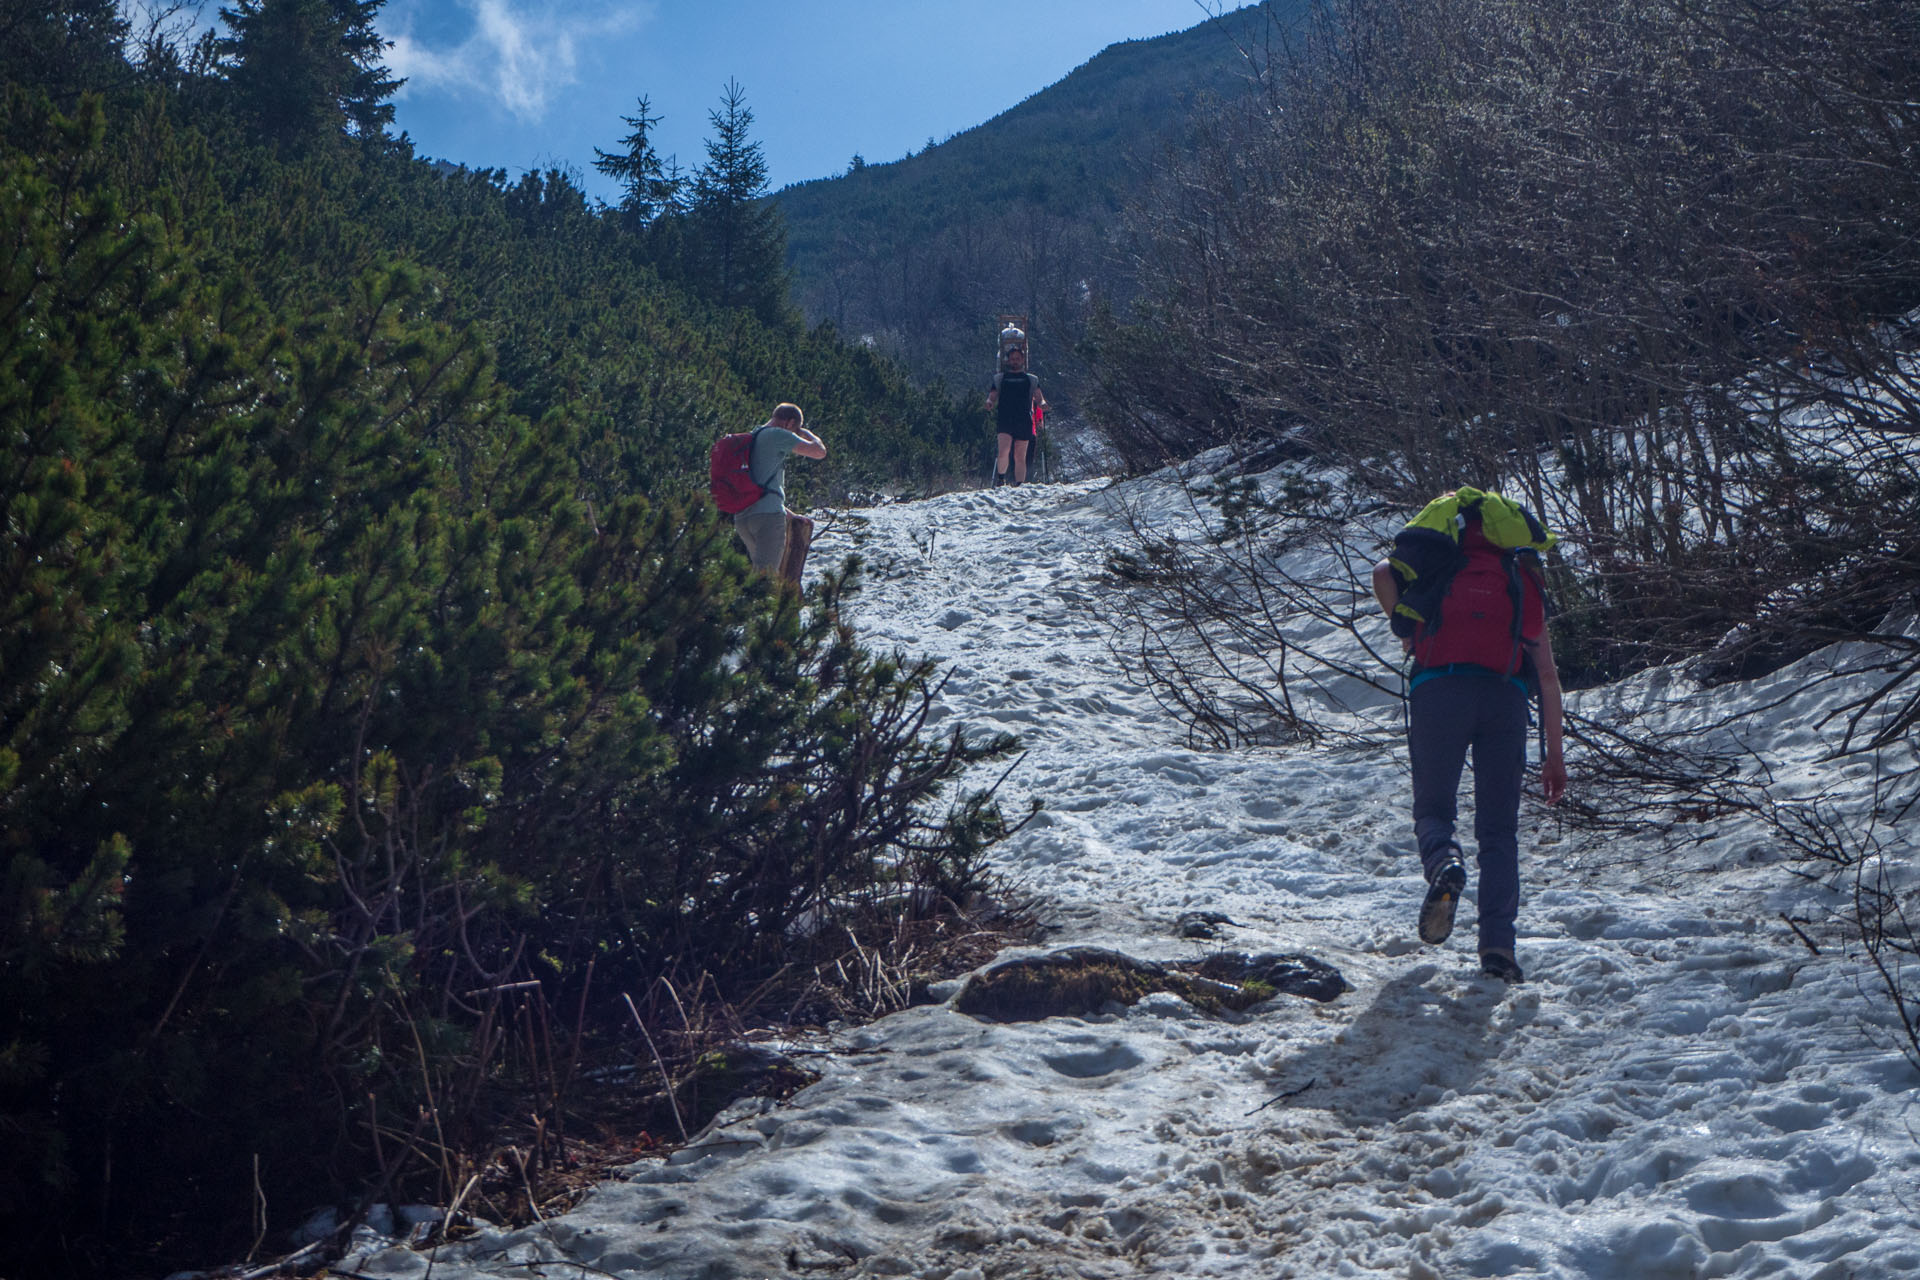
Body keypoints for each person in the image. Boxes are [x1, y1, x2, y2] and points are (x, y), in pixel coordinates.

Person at [1370, 488, 1568, 982]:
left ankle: (1445, 863)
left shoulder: (1438, 568)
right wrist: (1555, 756)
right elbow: (1546, 675)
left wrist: (1406, 627)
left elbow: (1380, 573)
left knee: (1434, 810)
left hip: (1440, 692)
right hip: (1503, 697)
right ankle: (1498, 950)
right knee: (1498, 830)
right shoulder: (1520, 578)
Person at [733, 403, 826, 585]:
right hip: (767, 518)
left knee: (757, 572)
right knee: (765, 579)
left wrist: (789, 514)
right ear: (790, 423)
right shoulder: (777, 435)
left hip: (743, 517)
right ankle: (762, 612)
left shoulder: (754, 435)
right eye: (795, 428)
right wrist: (806, 433)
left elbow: (760, 485)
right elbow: (819, 452)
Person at [986, 344, 1046, 486]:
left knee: (1020, 455)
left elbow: (1039, 396)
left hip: (1024, 420)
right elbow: (992, 395)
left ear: (1022, 360)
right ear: (1008, 361)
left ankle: (1019, 484)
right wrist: (989, 402)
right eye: (1012, 359)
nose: (1015, 361)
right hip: (1005, 419)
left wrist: (1043, 404)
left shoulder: (1031, 379)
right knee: (1003, 450)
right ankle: (1001, 478)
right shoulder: (1000, 378)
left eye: (1017, 359)